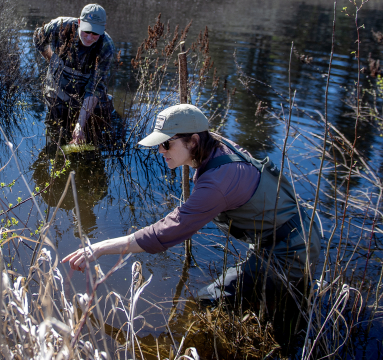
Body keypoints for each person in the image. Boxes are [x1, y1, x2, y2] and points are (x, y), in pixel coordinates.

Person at [63, 104, 321, 316]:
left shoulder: (217, 183)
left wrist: (99, 247)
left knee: (205, 302)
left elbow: (164, 233)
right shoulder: (217, 148)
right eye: (159, 144)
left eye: (166, 144)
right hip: (291, 234)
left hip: (289, 252)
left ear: (194, 141)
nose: (160, 151)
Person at [33, 3, 115, 145]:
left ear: (103, 29)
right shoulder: (59, 26)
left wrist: (79, 125)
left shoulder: (106, 46)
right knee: (56, 124)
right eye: (86, 31)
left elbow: (95, 86)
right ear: (79, 23)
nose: (89, 38)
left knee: (103, 113)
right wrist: (51, 59)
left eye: (95, 33)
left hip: (86, 88)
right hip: (59, 85)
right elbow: (38, 38)